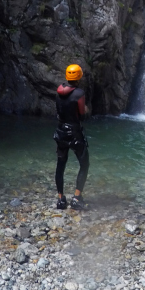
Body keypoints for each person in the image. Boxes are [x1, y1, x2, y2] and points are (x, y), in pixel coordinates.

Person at [53, 64, 89, 210]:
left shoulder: (58, 91)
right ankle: (76, 198)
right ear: (79, 76)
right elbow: (81, 114)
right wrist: (86, 109)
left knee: (60, 165)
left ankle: (61, 200)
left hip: (60, 131)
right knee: (84, 164)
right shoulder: (79, 94)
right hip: (74, 133)